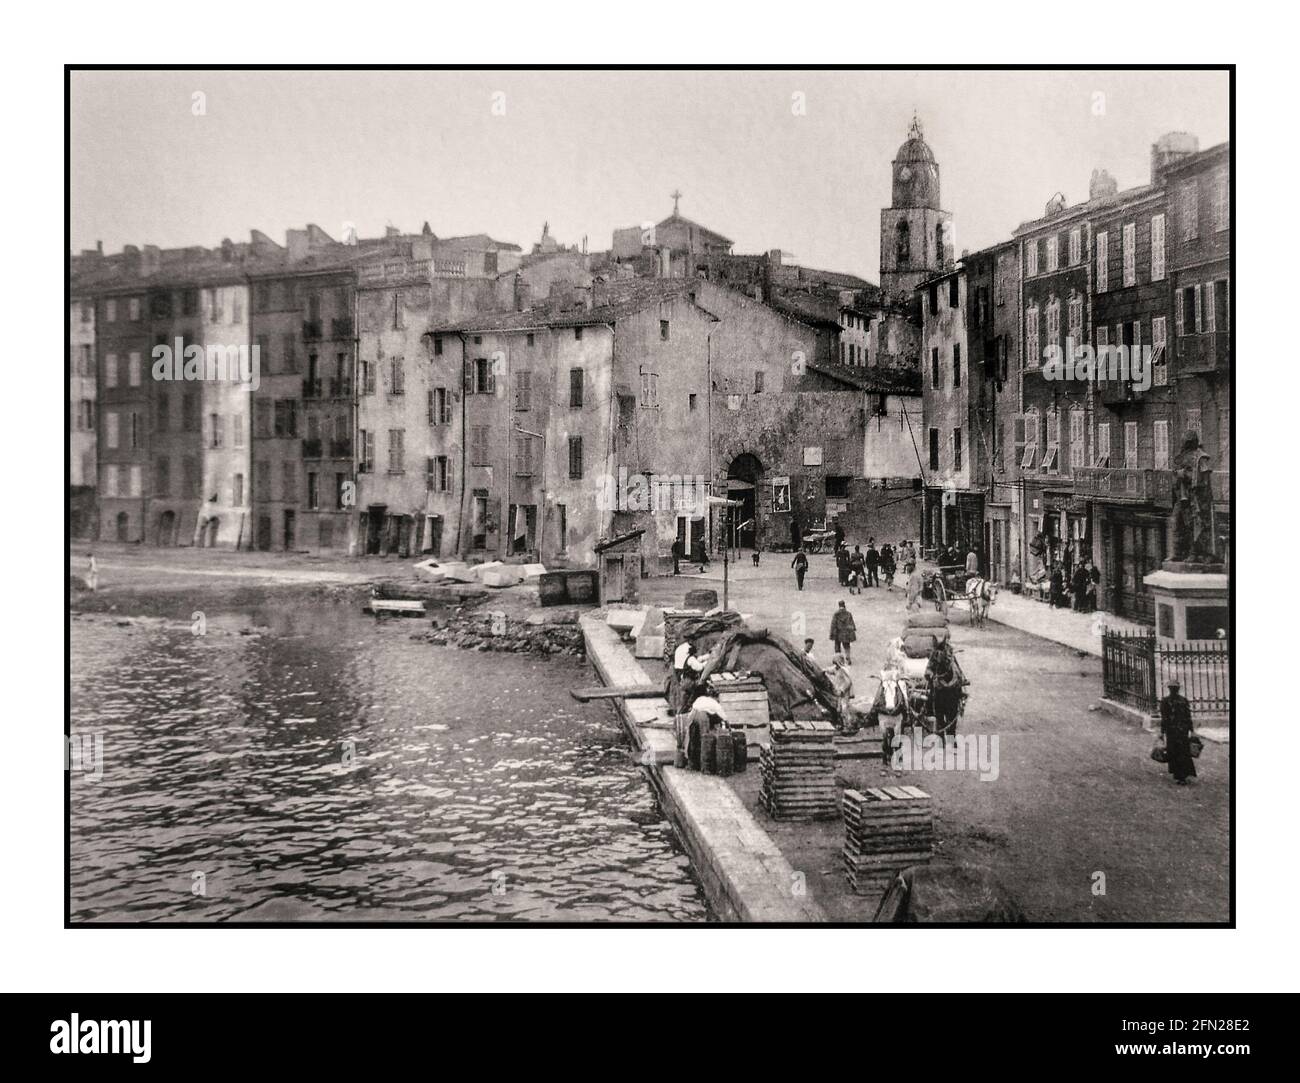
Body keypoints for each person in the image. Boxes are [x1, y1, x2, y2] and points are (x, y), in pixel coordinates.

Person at [1159, 680, 1197, 785]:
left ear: (1169, 689)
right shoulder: (1183, 700)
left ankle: (1179, 775)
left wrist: (1162, 732)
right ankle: (1183, 775)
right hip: (1182, 730)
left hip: (1172, 730)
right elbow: (1188, 717)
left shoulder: (1165, 701)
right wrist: (1191, 730)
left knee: (1174, 752)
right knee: (1183, 752)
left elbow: (1164, 718)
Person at [925, 639, 963, 740]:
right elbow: (928, 670)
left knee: (952, 714)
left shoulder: (950, 657)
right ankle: (941, 738)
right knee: (939, 715)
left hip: (952, 690)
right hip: (938, 689)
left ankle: (951, 738)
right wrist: (931, 675)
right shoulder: (934, 656)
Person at [684, 694, 728, 772]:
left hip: (695, 716)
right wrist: (729, 728)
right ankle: (704, 766)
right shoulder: (716, 705)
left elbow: (690, 716)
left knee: (693, 739)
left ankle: (692, 764)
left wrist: (689, 726)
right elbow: (724, 718)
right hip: (703, 717)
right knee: (705, 740)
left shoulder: (700, 698)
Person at [824, 654, 856, 733]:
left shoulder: (843, 670)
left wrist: (842, 690)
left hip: (844, 694)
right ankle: (841, 724)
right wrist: (825, 670)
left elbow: (848, 682)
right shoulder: (836, 669)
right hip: (838, 693)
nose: (835, 665)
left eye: (836, 663)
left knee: (844, 709)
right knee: (838, 709)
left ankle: (848, 726)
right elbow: (831, 670)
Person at [829, 600, 857, 664]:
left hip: (838, 633)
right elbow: (851, 623)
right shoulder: (848, 613)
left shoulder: (836, 614)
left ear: (839, 606)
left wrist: (832, 634)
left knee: (837, 646)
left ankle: (838, 660)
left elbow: (833, 624)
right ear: (844, 605)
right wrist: (853, 631)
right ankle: (848, 657)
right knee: (847, 646)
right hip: (846, 633)